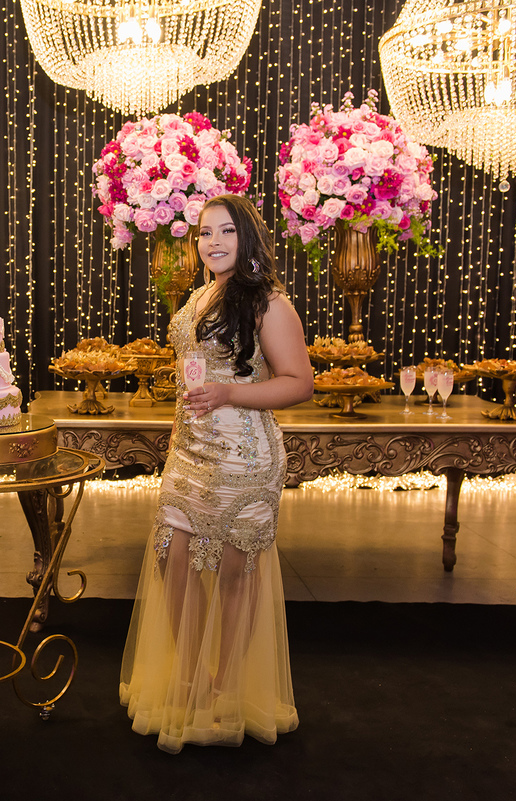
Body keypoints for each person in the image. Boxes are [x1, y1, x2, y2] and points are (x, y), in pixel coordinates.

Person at [119, 194, 313, 753]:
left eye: (227, 232)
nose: (214, 242)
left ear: (247, 238)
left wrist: (230, 392)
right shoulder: (204, 293)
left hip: (243, 456)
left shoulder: (269, 303)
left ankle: (224, 686)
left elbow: (299, 382)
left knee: (233, 572)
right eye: (205, 233)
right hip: (192, 450)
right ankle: (188, 675)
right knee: (173, 563)